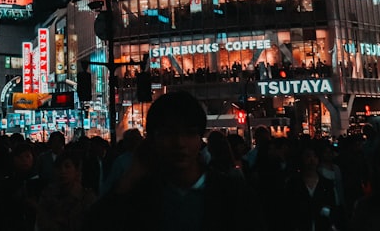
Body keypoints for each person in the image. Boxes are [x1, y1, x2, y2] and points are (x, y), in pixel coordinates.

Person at [85, 90, 266, 230]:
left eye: (188, 133)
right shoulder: (140, 196)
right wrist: (130, 178)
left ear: (200, 138)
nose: (179, 143)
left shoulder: (234, 195)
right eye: (169, 133)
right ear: (153, 140)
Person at [35, 150, 97, 231]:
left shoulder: (87, 197)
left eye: (67, 166)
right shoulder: (48, 194)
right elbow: (42, 221)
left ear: (77, 170)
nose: (62, 171)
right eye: (58, 167)